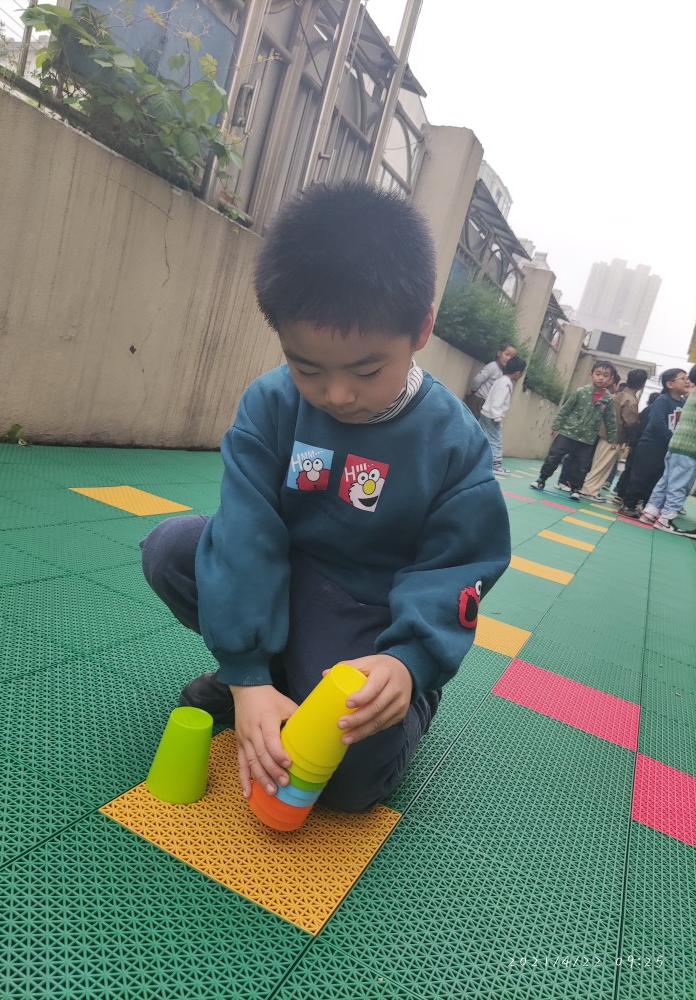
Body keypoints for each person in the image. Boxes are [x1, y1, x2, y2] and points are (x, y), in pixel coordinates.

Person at [140, 182, 511, 814]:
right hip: (287, 581)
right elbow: (245, 535)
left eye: (367, 371)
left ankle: (410, 705)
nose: (337, 395)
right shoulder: (271, 403)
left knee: (350, 780)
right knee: (172, 549)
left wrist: (409, 660)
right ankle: (267, 679)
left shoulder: (454, 445)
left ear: (421, 329)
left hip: (370, 613)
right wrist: (246, 678)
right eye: (307, 368)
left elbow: (456, 565)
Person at [530, 360, 617, 501]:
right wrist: (556, 426)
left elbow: (610, 420)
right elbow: (565, 409)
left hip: (587, 439)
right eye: (598, 374)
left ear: (611, 379)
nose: (601, 378)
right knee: (554, 457)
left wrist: (612, 439)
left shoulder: (608, 400)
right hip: (567, 433)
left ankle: (576, 489)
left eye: (605, 375)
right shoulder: (580, 392)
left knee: (581, 465)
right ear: (591, 374)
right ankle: (541, 479)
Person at [619, 368, 689, 518]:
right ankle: (629, 504)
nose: (687, 381)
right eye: (683, 379)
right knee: (641, 475)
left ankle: (645, 506)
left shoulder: (684, 403)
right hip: (651, 446)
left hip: (666, 447)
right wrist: (672, 439)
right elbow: (658, 424)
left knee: (656, 478)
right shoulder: (663, 401)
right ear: (670, 384)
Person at [638, 364, 696, 534]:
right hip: (689, 448)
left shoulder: (691, 395)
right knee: (680, 483)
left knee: (666, 481)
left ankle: (650, 512)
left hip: (675, 445)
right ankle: (666, 518)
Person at [580, 369, 649, 502]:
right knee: (603, 465)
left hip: (604, 434)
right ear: (642, 385)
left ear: (627, 380)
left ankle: (589, 489)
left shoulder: (618, 395)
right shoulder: (631, 400)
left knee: (599, 463)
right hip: (615, 438)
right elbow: (631, 422)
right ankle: (589, 490)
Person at [478, 355, 527, 474]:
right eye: (522, 373)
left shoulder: (501, 380)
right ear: (518, 373)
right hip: (492, 416)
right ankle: (496, 465)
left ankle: (477, 458)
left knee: (482, 436)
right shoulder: (506, 384)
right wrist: (497, 417)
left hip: (486, 412)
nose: (522, 375)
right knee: (496, 440)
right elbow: (498, 400)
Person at [612, 389, 661, 503]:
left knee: (629, 469)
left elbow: (637, 425)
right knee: (638, 473)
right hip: (644, 445)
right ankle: (629, 497)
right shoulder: (654, 411)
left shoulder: (646, 410)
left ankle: (620, 492)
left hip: (637, 443)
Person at [464, 342, 517, 418]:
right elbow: (478, 379)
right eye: (507, 354)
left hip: (484, 403)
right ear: (499, 353)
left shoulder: (500, 371)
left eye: (511, 357)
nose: (508, 358)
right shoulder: (492, 366)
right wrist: (473, 390)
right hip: (478, 400)